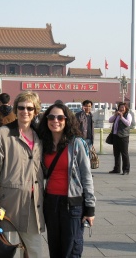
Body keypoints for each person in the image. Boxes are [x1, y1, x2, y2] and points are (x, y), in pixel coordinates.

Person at [0, 91, 44, 258]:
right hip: (7, 205)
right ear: (15, 110)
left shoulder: (40, 136)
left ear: (36, 111)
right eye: (21, 107)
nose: (25, 111)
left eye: (30, 108)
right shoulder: (3, 134)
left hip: (33, 206)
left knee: (35, 251)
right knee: (5, 252)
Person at [38, 103, 96, 258]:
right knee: (55, 249)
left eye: (60, 117)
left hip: (72, 204)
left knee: (71, 250)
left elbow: (86, 176)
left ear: (67, 120)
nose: (55, 120)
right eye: (51, 117)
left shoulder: (76, 143)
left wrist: (90, 208)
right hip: (50, 203)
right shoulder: (44, 144)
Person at [108, 102, 132, 175]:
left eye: (123, 107)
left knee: (124, 153)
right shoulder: (117, 115)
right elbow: (110, 120)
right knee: (116, 153)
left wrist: (122, 117)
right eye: (120, 107)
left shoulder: (128, 115)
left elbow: (128, 123)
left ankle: (126, 169)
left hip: (123, 136)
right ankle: (116, 168)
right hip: (115, 136)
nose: (121, 109)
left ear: (126, 108)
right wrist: (115, 115)